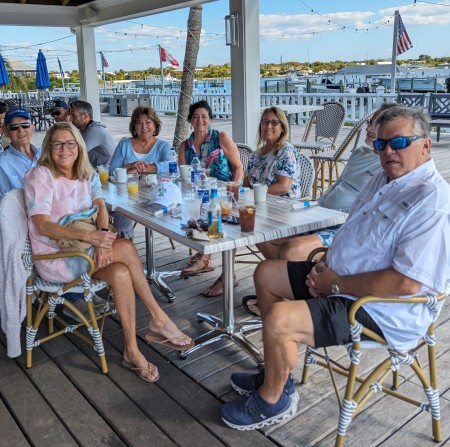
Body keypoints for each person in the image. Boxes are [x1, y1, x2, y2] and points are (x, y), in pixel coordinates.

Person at [221, 105, 450, 430]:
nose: (387, 151)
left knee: (278, 317)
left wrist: (336, 284)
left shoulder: (432, 202)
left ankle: (272, 400)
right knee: (267, 273)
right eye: (380, 144)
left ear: (425, 146)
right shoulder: (385, 179)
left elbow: (406, 283)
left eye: (398, 143)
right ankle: (278, 372)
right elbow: (351, 232)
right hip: (342, 281)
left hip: (381, 309)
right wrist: (323, 264)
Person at [24, 122, 194, 383]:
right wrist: (93, 238)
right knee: (124, 246)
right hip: (57, 257)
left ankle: (131, 350)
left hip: (86, 251)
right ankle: (159, 318)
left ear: (79, 147)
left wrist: (101, 240)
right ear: (48, 147)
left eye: (70, 143)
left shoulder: (86, 174)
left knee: (121, 272)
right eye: (57, 144)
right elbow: (42, 225)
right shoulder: (42, 175)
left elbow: (101, 206)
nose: (64, 149)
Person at [242, 103, 398, 317]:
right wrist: (318, 204)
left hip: (342, 225)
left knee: (290, 249)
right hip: (323, 216)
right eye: (370, 123)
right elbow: (337, 184)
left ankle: (285, 298)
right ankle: (281, 291)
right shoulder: (360, 153)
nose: (369, 129)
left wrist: (335, 214)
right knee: (261, 234)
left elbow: (367, 210)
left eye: (377, 125)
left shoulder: (388, 166)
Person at [179, 100, 243, 290]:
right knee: (190, 215)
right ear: (190, 120)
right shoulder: (185, 145)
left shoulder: (220, 137)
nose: (200, 120)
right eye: (196, 117)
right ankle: (204, 257)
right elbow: (183, 175)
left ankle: (220, 268)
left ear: (210, 119)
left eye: (204, 116)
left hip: (224, 193)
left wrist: (234, 189)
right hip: (198, 194)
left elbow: (238, 167)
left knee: (216, 213)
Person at [109, 106, 172, 237]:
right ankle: (125, 246)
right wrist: (130, 167)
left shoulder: (163, 146)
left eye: (148, 122)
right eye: (139, 123)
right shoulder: (124, 145)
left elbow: (170, 165)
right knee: (121, 212)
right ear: (134, 127)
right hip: (126, 196)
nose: (144, 127)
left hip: (155, 194)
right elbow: (111, 171)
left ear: (155, 125)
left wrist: (144, 168)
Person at [0, 108, 41, 200]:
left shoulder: (45, 154)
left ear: (32, 127)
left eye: (25, 125)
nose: (20, 130)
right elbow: (4, 203)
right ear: (6, 131)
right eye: (14, 127)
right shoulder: (2, 164)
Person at [70, 100, 115, 167]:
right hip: (98, 170)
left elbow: (75, 152)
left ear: (85, 116)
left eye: (73, 116)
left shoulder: (95, 131)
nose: (70, 119)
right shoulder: (84, 130)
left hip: (107, 173)